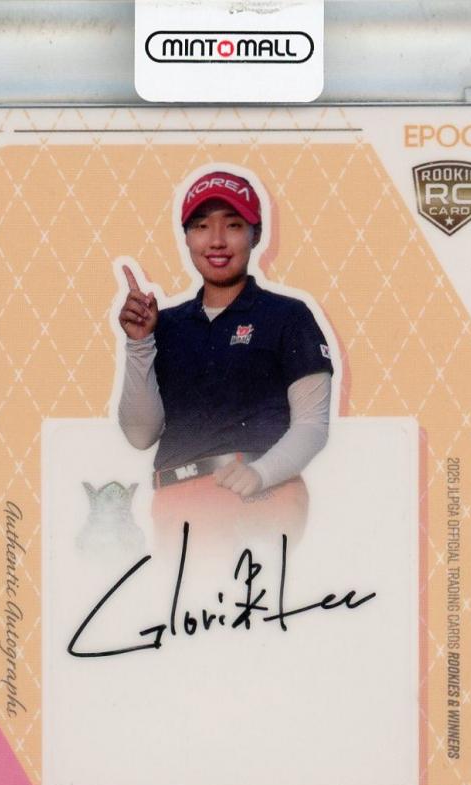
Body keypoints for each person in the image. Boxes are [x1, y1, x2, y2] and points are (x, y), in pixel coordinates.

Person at [118, 169, 334, 547]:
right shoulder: (164, 325)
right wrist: (139, 343)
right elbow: (140, 436)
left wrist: (262, 473)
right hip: (175, 503)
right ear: (187, 237)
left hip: (261, 497)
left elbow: (312, 426)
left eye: (233, 225)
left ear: (256, 234)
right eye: (201, 226)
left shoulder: (288, 316)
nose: (217, 240)